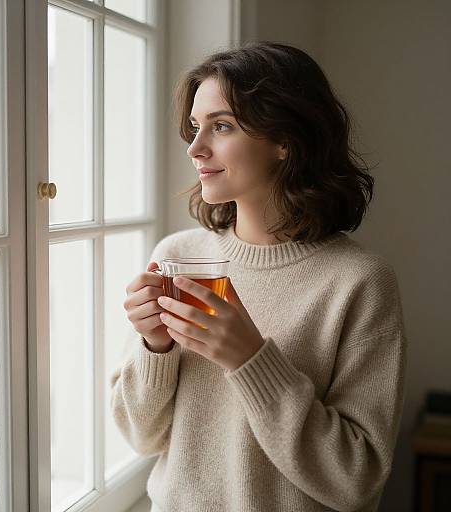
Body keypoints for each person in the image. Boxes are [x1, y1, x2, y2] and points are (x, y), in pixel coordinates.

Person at [110, 41, 407, 512]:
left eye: (221, 126)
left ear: (285, 140)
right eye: (194, 127)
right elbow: (140, 437)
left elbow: (357, 480)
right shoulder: (178, 255)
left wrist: (250, 359)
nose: (195, 148)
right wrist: (155, 348)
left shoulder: (360, 282)